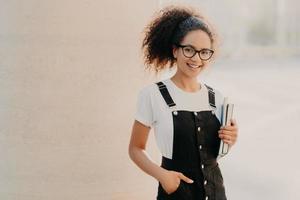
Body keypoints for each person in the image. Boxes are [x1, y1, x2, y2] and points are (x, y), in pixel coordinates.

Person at [128, 5, 238, 200]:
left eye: (204, 52)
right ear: (175, 50)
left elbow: (215, 154)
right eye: (189, 50)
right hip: (176, 193)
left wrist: (230, 139)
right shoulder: (152, 95)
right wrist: (163, 176)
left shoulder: (217, 98)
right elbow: (136, 148)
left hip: (216, 193)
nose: (196, 58)